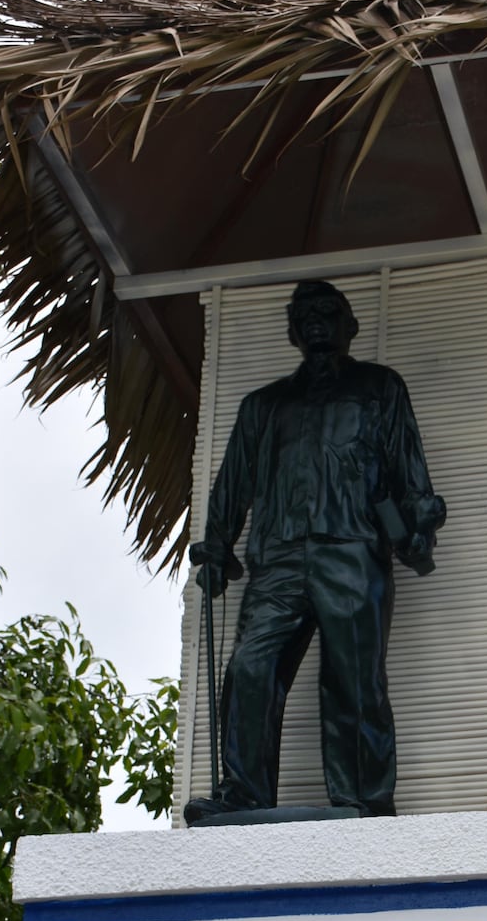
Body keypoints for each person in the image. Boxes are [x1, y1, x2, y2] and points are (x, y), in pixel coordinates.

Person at [184, 278, 446, 823]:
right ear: (291, 331)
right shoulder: (264, 405)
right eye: (305, 315)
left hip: (351, 552)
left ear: (350, 325)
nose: (317, 321)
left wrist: (419, 523)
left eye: (329, 311)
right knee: (250, 667)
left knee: (353, 677)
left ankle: (363, 800)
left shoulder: (379, 388)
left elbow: (409, 468)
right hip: (277, 557)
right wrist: (214, 548)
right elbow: (231, 484)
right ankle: (243, 793)